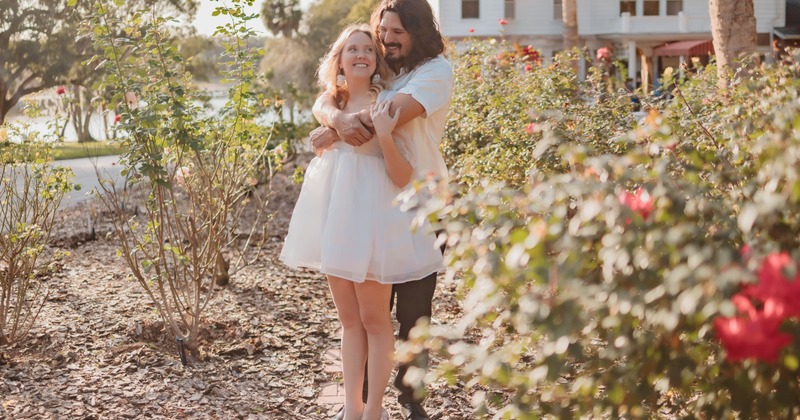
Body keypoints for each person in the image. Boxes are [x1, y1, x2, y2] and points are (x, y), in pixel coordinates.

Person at [279, 23, 444, 420]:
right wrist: (333, 126)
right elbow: (325, 108)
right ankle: (352, 409)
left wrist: (384, 136)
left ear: (375, 62)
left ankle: (374, 411)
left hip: (376, 219)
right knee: (349, 321)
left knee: (374, 318)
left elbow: (403, 176)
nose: (360, 54)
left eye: (368, 49)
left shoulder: (387, 103)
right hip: (337, 220)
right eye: (352, 48)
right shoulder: (329, 103)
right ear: (339, 60)